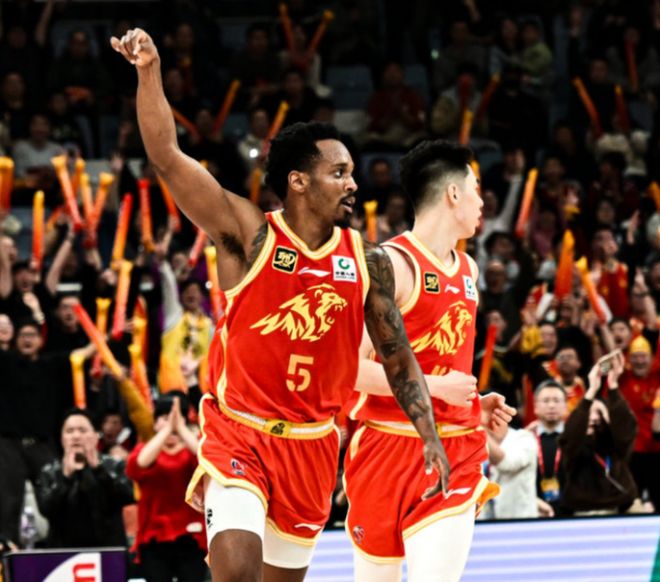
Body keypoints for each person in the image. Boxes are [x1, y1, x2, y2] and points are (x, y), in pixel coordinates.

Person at [111, 28, 448, 582]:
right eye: (339, 173)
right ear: (298, 181)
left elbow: (397, 355)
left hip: (313, 447)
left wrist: (429, 433)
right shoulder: (250, 235)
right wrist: (149, 72)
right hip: (239, 432)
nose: (353, 184)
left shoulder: (368, 260)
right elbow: (168, 158)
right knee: (237, 574)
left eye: (351, 173)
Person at [344, 140, 514, 582]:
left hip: (455, 448)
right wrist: (436, 388)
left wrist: (473, 404)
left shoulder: (469, 269)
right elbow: (350, 369)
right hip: (384, 448)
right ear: (453, 193)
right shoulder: (392, 265)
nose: (482, 201)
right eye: (476, 189)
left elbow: (447, 358)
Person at [126, 395, 207, 581]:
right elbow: (140, 463)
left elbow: (206, 460)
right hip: (154, 537)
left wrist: (179, 427)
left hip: (191, 537)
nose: (171, 421)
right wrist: (169, 428)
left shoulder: (192, 452)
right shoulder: (144, 450)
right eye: (164, 418)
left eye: (177, 417)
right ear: (154, 424)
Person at [35, 408, 134, 547]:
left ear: (95, 436)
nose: (76, 436)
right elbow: (46, 510)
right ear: (62, 438)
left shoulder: (113, 465)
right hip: (64, 552)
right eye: (69, 431)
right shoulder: (50, 471)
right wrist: (65, 478)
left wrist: (98, 470)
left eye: (82, 430)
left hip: (108, 550)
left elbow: (127, 496)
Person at [559, 351, 638, 515]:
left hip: (617, 509)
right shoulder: (574, 446)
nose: (594, 418)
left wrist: (613, 385)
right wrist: (591, 391)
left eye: (599, 413)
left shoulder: (615, 444)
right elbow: (570, 437)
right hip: (581, 511)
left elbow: (626, 428)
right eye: (589, 414)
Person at [530, 379, 568, 517]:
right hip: (534, 510)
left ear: (566, 406)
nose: (551, 405)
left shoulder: (574, 436)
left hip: (571, 511)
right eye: (545, 401)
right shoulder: (525, 438)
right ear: (535, 406)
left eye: (557, 400)